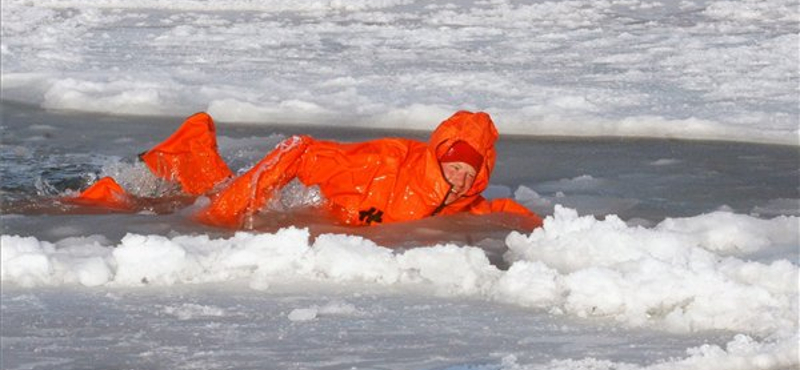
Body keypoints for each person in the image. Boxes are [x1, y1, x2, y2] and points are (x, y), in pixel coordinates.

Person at [69, 110, 543, 230]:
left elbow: (493, 212)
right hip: (302, 189)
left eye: (470, 170)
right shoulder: (382, 164)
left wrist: (543, 228)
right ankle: (113, 197)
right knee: (213, 203)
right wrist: (223, 214)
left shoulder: (464, 200)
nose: (460, 176)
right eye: (454, 164)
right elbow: (301, 150)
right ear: (439, 154)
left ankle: (190, 149)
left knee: (221, 195)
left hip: (333, 216)